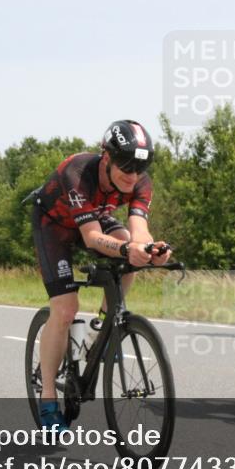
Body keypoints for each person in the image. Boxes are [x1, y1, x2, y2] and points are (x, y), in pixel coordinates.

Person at [31, 120, 171, 430]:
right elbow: (93, 238)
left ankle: (102, 332)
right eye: (126, 165)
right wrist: (126, 250)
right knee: (66, 309)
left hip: (95, 218)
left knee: (131, 254)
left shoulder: (140, 183)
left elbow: (139, 231)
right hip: (54, 225)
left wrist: (152, 250)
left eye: (140, 167)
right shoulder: (77, 173)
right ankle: (49, 397)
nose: (132, 174)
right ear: (105, 157)